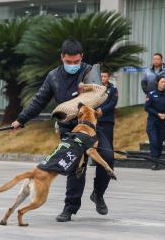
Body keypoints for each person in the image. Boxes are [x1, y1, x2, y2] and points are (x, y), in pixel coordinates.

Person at [11, 39, 112, 222]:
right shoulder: (53, 77)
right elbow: (39, 101)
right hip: (69, 129)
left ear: (81, 57)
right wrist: (21, 119)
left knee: (108, 157)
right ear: (62, 58)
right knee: (74, 166)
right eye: (68, 62)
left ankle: (98, 194)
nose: (72, 65)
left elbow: (99, 95)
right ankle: (69, 208)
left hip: (90, 127)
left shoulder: (89, 71)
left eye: (76, 62)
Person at [96, 68, 118, 189]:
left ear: (108, 77)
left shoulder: (112, 89)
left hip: (107, 121)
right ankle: (98, 162)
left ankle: (110, 165)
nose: (103, 78)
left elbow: (113, 103)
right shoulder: (96, 88)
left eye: (105, 76)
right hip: (96, 121)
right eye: (101, 76)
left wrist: (102, 110)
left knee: (108, 145)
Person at [145, 76, 165, 170]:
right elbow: (147, 107)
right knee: (154, 141)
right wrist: (157, 114)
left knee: (160, 143)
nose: (164, 84)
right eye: (162, 82)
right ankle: (154, 162)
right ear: (157, 83)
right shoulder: (151, 94)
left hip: (163, 123)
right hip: (152, 122)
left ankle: (157, 160)